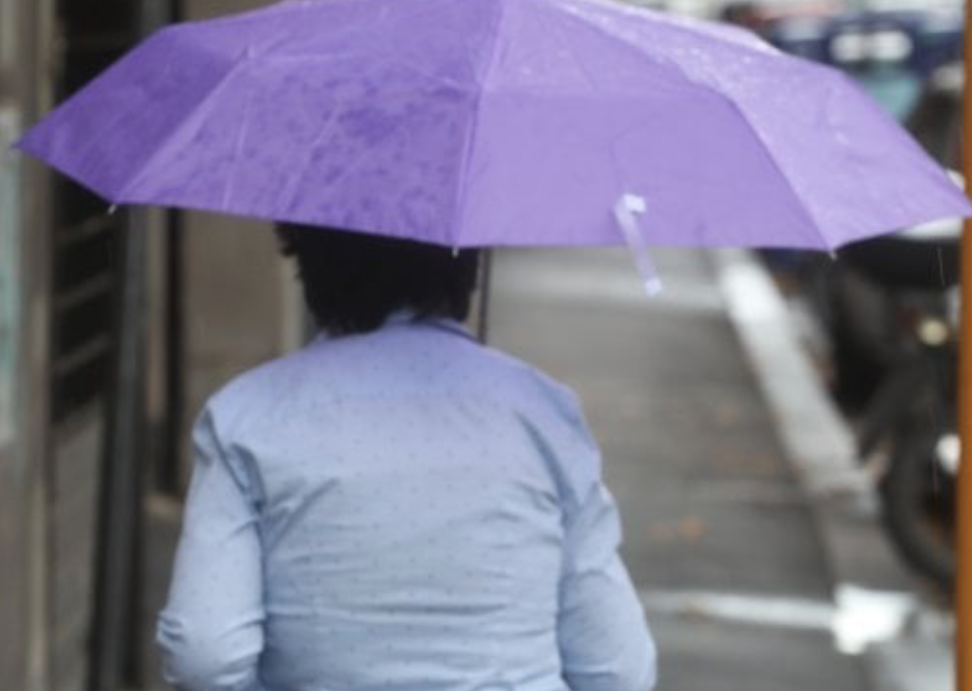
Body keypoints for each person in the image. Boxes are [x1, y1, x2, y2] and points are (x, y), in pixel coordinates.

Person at [156, 223, 657, 691]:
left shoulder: (247, 416)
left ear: (307, 261)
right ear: (466, 265)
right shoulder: (543, 413)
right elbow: (619, 669)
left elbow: (206, 654)